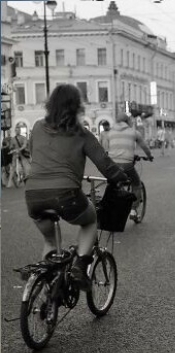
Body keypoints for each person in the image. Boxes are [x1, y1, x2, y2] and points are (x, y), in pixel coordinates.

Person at [24, 84, 128, 289]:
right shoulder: (82, 134)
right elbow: (105, 164)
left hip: (33, 195)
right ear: (77, 107)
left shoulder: (37, 127)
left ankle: (49, 292)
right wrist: (121, 178)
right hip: (66, 194)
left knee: (51, 242)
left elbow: (33, 153)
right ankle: (79, 267)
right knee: (90, 220)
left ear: (50, 104)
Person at [108, 112, 153, 212]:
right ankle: (133, 209)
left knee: (114, 183)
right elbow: (144, 147)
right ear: (127, 121)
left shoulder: (110, 132)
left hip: (112, 164)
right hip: (126, 164)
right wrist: (149, 156)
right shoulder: (133, 132)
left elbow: (107, 149)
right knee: (136, 184)